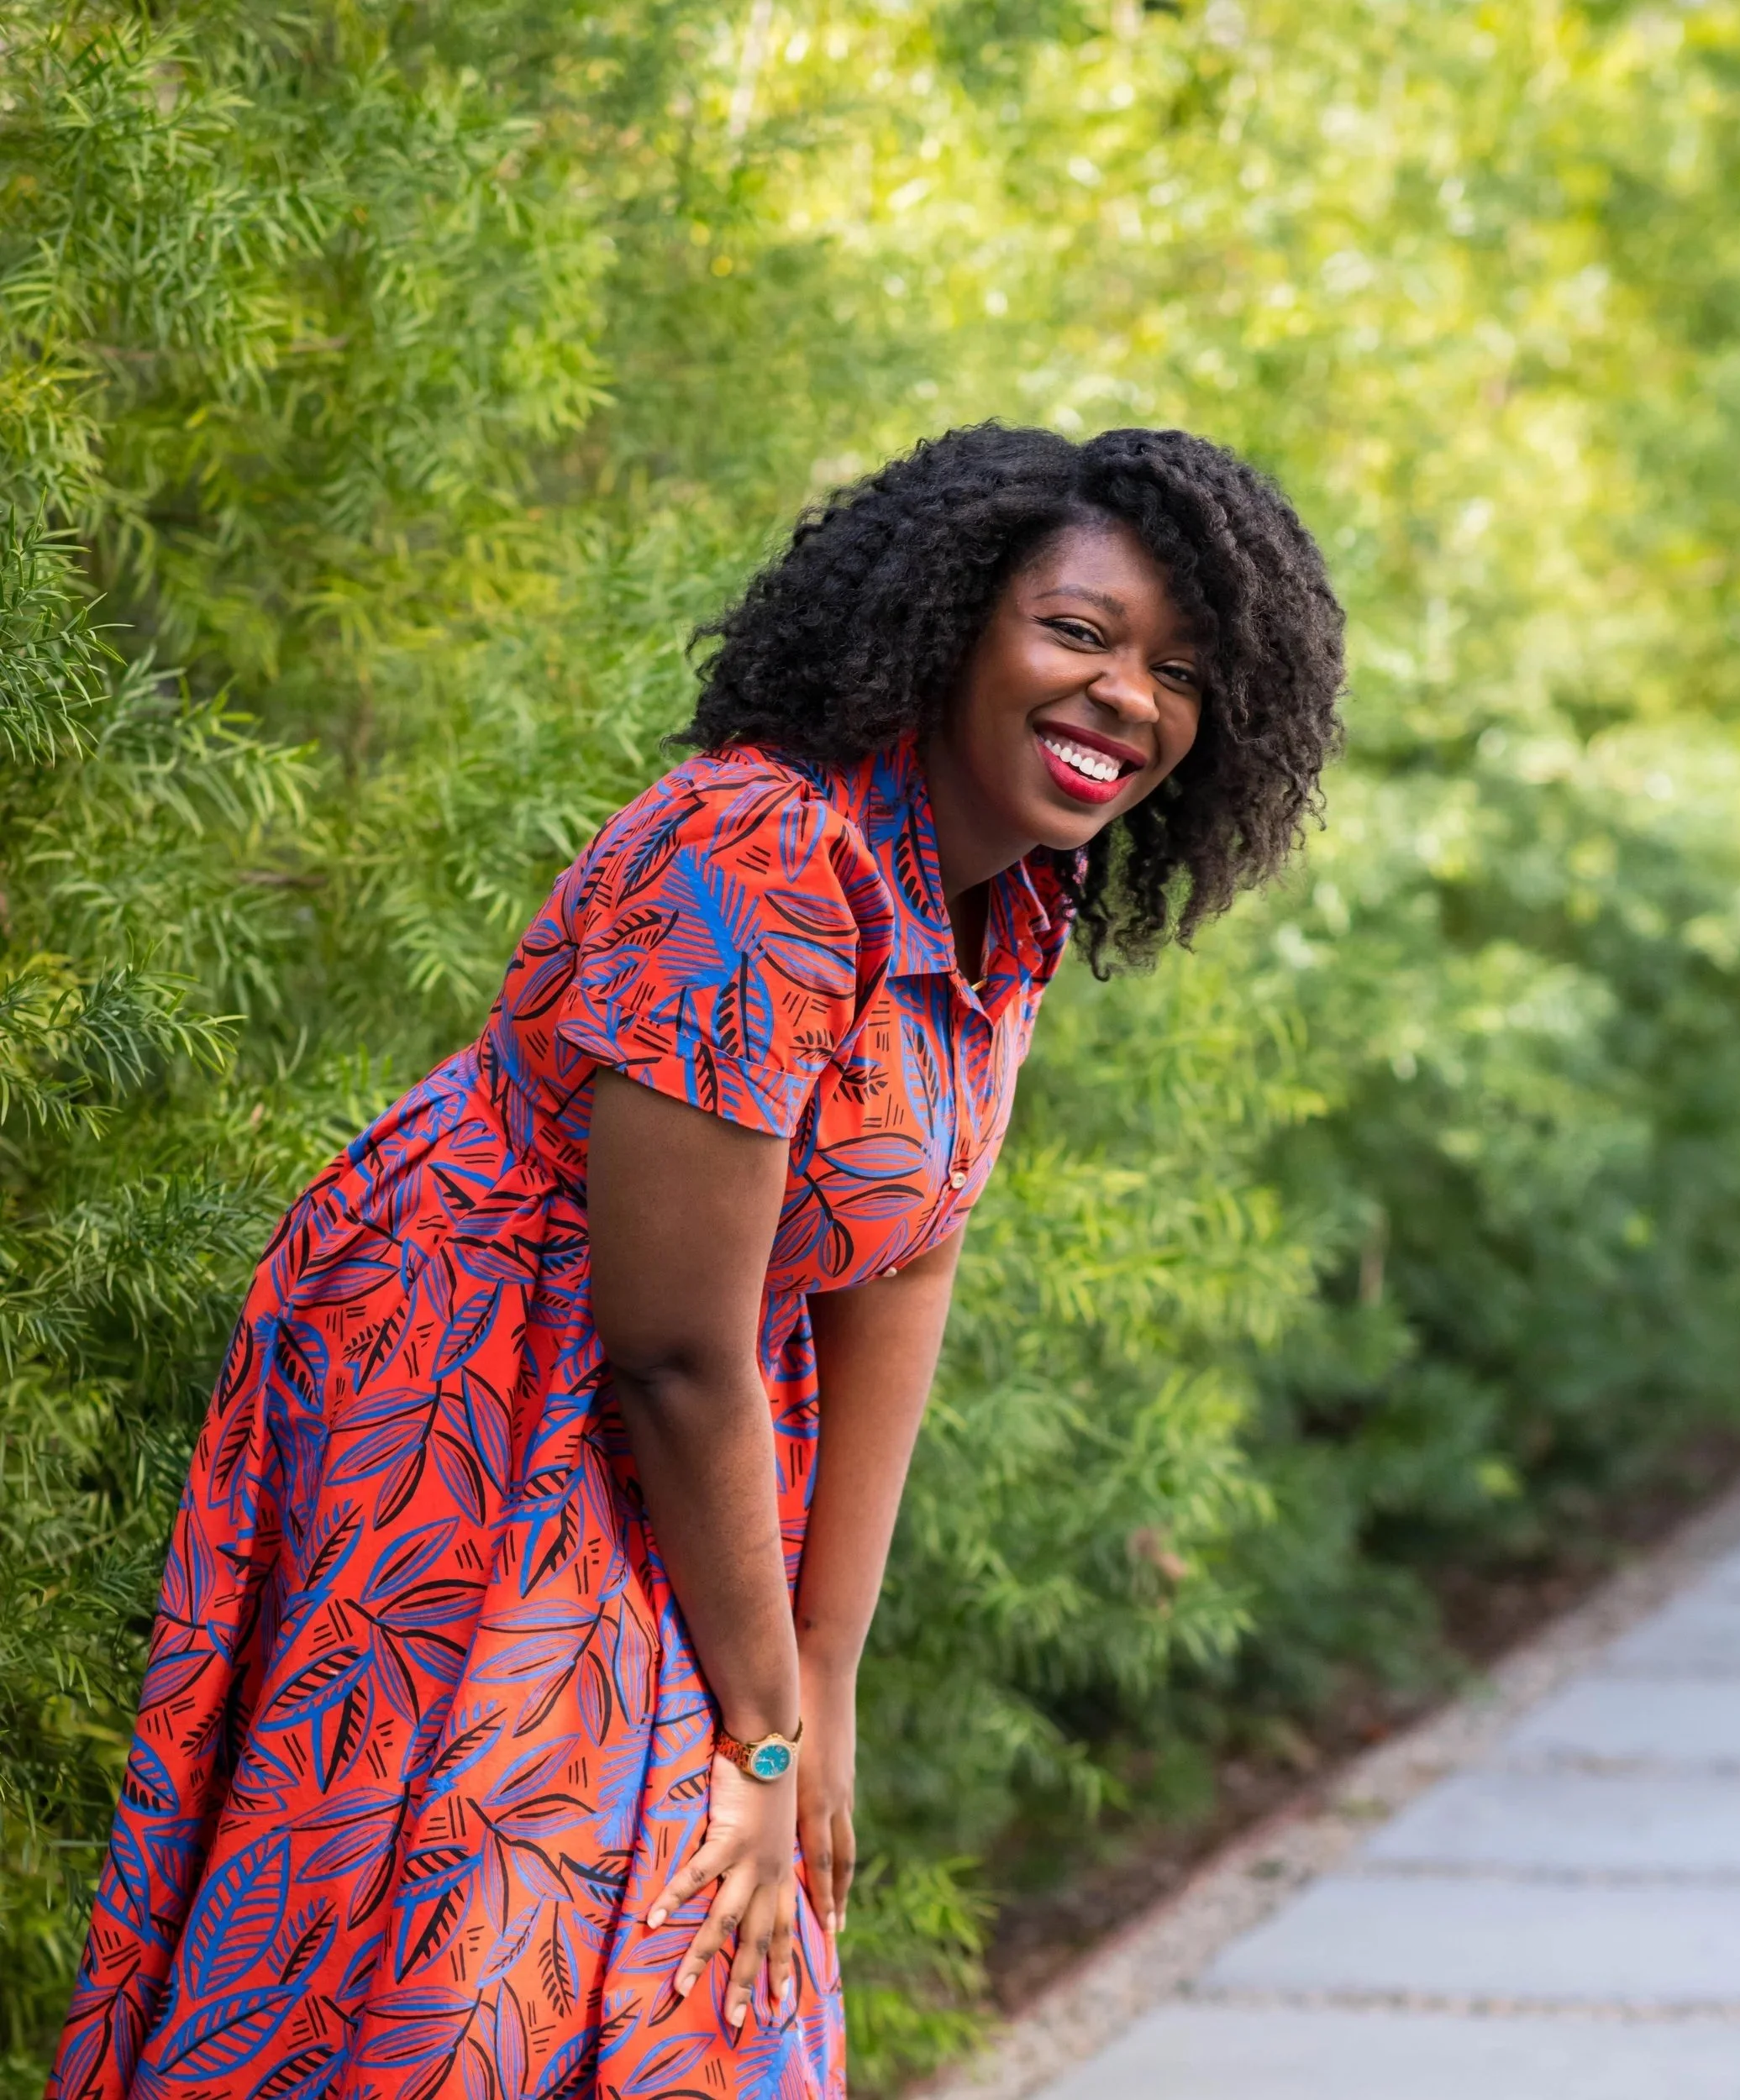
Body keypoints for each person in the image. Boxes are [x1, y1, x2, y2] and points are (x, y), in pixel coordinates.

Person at [50, 423, 1346, 2100]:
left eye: (1176, 671)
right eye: (1078, 633)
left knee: (720, 1911)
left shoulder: (1003, 903)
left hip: (688, 1425)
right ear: (956, 619)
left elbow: (901, 1266)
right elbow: (667, 1342)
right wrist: (759, 1722)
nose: (1126, 696)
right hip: (474, 1390)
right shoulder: (757, 855)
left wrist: (825, 1674)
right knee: (480, 1934)